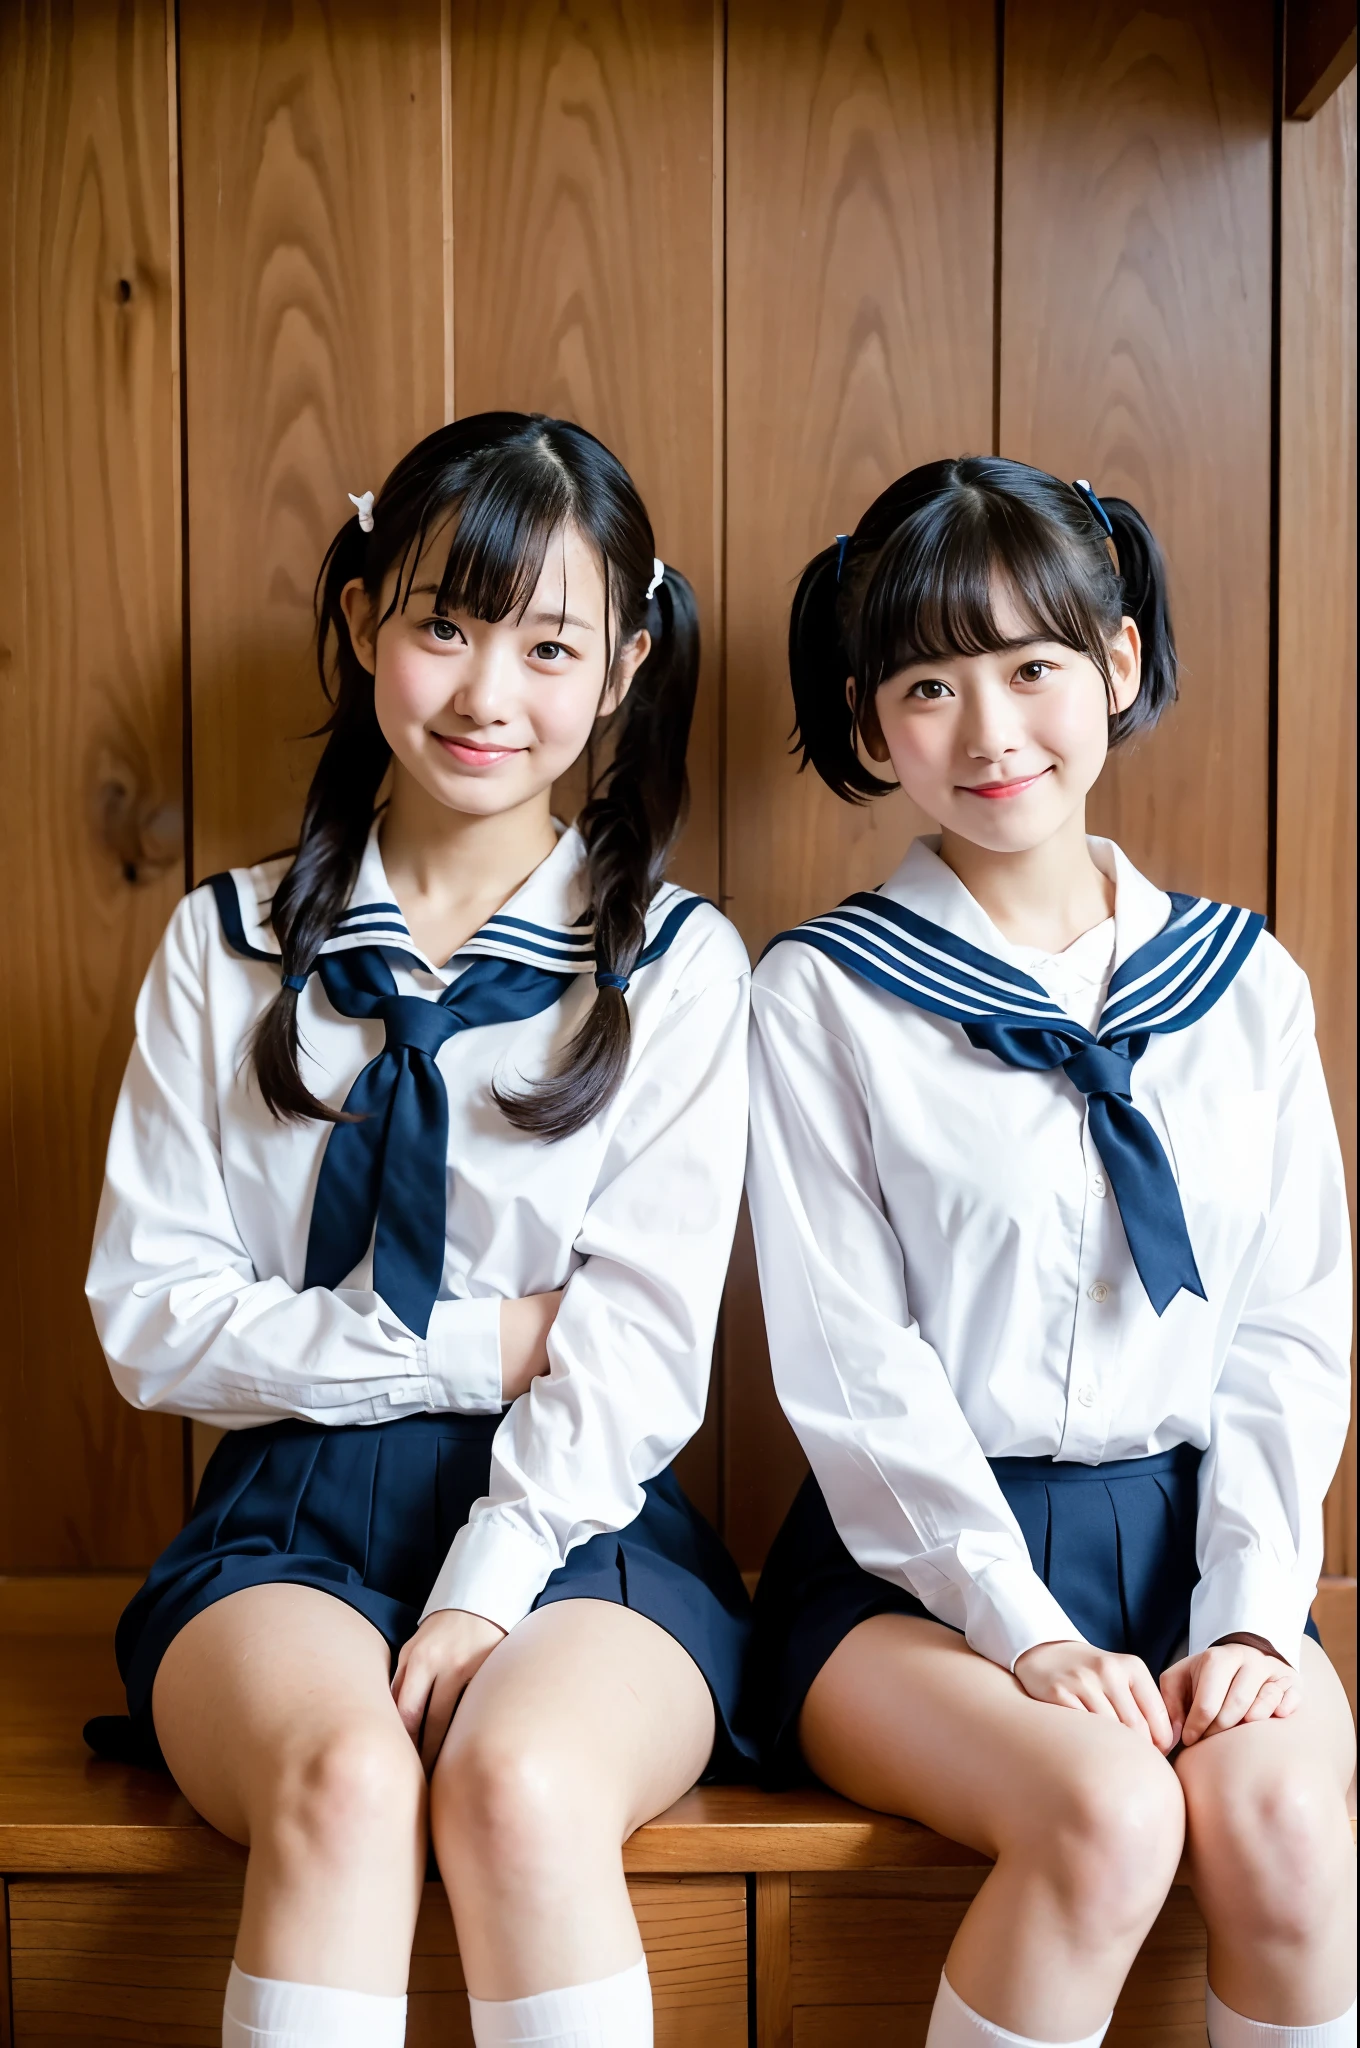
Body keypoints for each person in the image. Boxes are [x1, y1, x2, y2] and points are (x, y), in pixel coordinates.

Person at [84, 412, 753, 2048]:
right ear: (367, 616)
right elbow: (151, 1318)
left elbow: (634, 1352)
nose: (484, 694)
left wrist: (484, 1584)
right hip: (281, 1512)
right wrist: (471, 1340)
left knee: (520, 1784)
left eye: (547, 645)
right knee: (344, 1777)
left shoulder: (675, 966)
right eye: (443, 625)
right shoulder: (225, 944)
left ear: (622, 668)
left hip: (587, 1518)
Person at [743, 457, 1355, 2048]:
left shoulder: (1244, 987)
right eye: (931, 686)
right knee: (1109, 1817)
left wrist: (1243, 1611)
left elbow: (1289, 1330)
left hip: (1197, 1540)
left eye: (1034, 669)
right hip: (913, 1579)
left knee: (1284, 1830)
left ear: (1121, 667)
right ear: (873, 727)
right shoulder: (820, 998)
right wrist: (1021, 1624)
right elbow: (853, 1368)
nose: (992, 730)